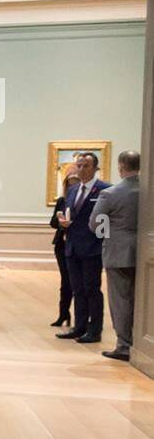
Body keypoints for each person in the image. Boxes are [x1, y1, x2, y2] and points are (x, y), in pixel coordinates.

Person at [55, 151, 110, 344]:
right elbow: (70, 214)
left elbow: (106, 222)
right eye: (79, 165)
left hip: (92, 248)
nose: (81, 169)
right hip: (72, 247)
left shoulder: (105, 190)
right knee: (77, 289)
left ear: (95, 168)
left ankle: (94, 330)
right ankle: (79, 327)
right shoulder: (72, 190)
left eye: (86, 165)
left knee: (92, 290)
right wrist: (63, 222)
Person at [91, 150, 140, 361]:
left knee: (121, 300)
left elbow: (96, 225)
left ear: (120, 167)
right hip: (145, 251)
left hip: (118, 251)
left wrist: (110, 235)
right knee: (142, 299)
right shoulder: (148, 190)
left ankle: (124, 345)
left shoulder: (110, 194)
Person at [48, 170, 80, 327]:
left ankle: (80, 317)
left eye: (75, 183)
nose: (72, 186)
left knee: (78, 282)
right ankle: (63, 314)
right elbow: (53, 223)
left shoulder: (82, 201)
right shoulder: (62, 200)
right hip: (62, 244)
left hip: (78, 244)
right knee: (65, 280)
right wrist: (59, 219)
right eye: (70, 184)